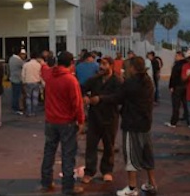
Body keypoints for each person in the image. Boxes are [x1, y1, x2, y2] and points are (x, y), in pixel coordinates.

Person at [89, 56, 157, 196]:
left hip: (132, 123)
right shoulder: (148, 81)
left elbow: (117, 97)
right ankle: (151, 183)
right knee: (147, 154)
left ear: (132, 68)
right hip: (145, 123)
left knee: (131, 156)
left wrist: (99, 98)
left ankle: (132, 188)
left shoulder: (130, 83)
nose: (124, 70)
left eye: (126, 68)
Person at [39, 51, 85, 196]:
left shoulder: (50, 75)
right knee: (68, 155)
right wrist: (81, 120)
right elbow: (77, 103)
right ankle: (68, 187)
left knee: (49, 152)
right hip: (67, 122)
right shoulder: (71, 80)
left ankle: (46, 183)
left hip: (51, 120)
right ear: (71, 63)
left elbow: (43, 68)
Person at [81, 56, 122, 184]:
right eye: (100, 64)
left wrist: (101, 99)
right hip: (94, 118)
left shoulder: (118, 81)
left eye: (104, 64)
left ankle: (107, 171)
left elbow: (119, 98)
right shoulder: (94, 80)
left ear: (111, 65)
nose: (101, 67)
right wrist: (85, 98)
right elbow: (81, 88)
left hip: (110, 118)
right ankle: (89, 172)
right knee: (91, 146)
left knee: (109, 147)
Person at [166, 51, 187, 128]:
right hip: (185, 86)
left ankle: (174, 122)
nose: (175, 57)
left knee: (176, 105)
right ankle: (188, 121)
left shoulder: (177, 65)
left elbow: (173, 77)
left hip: (177, 87)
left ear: (180, 56)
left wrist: (171, 86)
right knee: (185, 104)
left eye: (176, 56)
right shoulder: (186, 64)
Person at [22, 52, 44, 117]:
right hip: (36, 82)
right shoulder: (39, 65)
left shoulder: (26, 65)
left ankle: (29, 112)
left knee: (28, 97)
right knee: (35, 97)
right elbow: (41, 74)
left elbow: (23, 75)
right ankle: (34, 112)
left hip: (28, 82)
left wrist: (23, 82)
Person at [8, 47, 26, 115]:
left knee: (14, 94)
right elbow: (24, 65)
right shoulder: (18, 60)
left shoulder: (11, 58)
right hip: (18, 79)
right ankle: (16, 108)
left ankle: (14, 106)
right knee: (17, 95)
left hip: (13, 78)